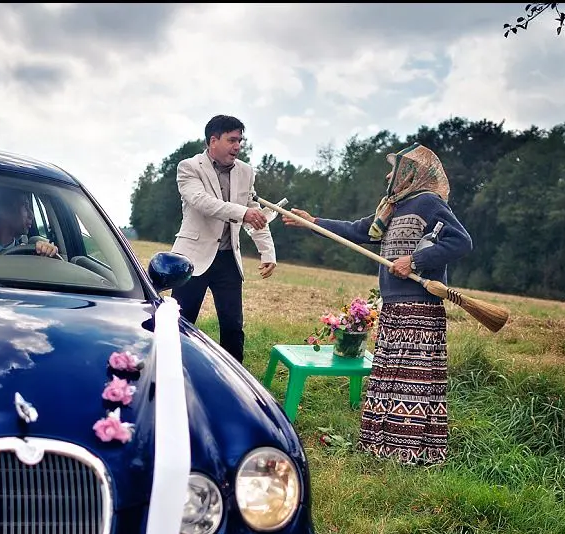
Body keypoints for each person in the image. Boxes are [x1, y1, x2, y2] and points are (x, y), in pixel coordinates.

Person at [280, 143, 473, 466]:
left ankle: (410, 450)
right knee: (390, 374)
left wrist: (415, 259)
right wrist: (312, 222)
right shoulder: (392, 208)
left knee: (412, 378)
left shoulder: (428, 203)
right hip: (395, 307)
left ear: (412, 174)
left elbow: (460, 241)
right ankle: (383, 446)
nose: (388, 174)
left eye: (395, 168)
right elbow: (357, 231)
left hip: (420, 309)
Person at [169, 114, 276, 365]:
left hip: (229, 260)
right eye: (232, 140)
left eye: (240, 140)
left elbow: (255, 212)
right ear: (213, 140)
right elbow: (203, 203)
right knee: (179, 322)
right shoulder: (189, 167)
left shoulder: (247, 172)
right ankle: (169, 370)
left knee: (233, 327)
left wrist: (267, 252)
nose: (238, 146)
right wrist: (243, 212)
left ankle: (235, 382)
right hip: (192, 258)